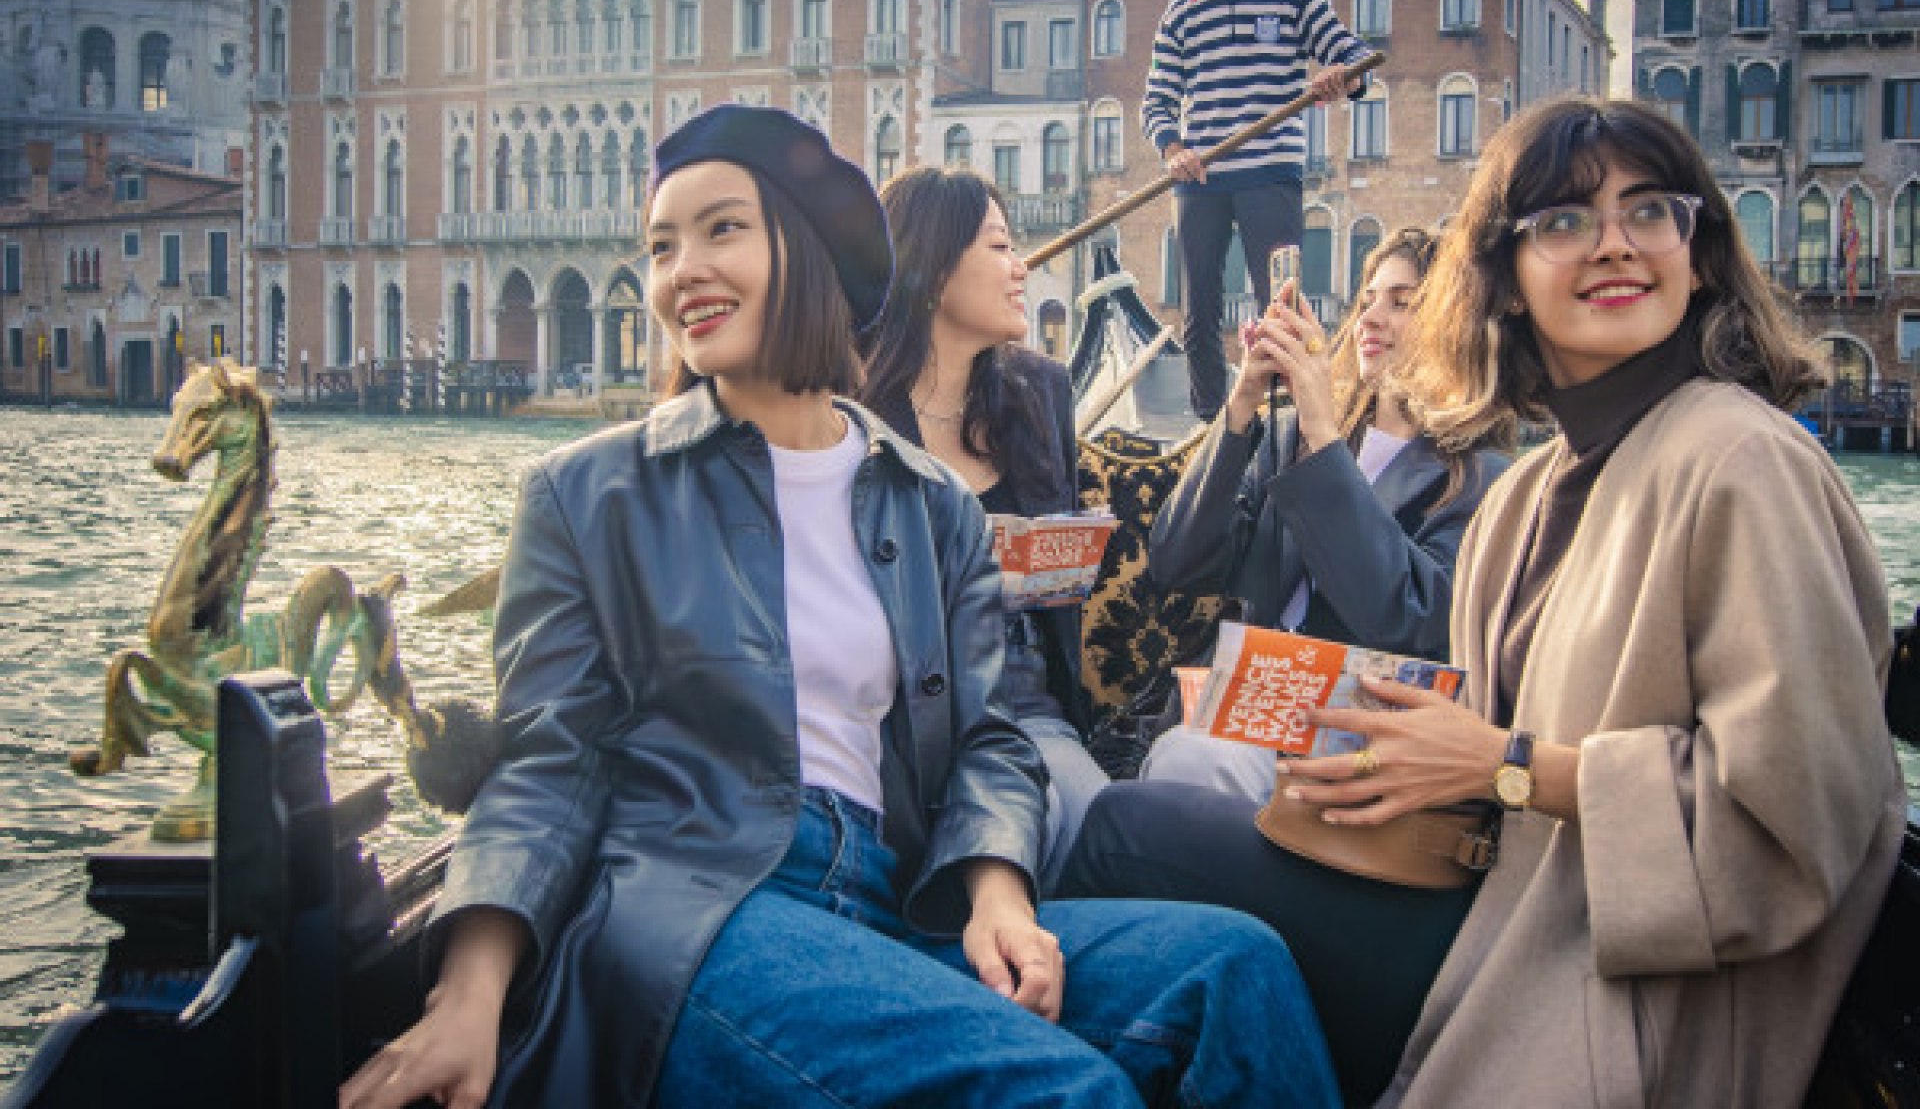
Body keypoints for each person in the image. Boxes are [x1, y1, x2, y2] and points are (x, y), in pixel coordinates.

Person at [339, 106, 1340, 1109]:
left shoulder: (931, 501)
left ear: (812, 250)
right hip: (697, 907)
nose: (682, 269)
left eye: (722, 228)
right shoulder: (585, 492)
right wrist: (467, 995)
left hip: (899, 893)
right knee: (1067, 1092)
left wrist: (997, 887)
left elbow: (990, 737)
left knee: (1237, 971)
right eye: (661, 245)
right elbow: (544, 764)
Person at [1067, 96, 1908, 1108]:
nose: (1614, 243)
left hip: (1610, 978)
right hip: (1482, 894)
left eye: (1649, 211)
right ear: (1504, 281)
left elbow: (1795, 824)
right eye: (1565, 220)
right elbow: (1184, 563)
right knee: (1154, 848)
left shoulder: (1741, 459)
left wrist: (1505, 764)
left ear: (1698, 254)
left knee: (1128, 832)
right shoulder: (1539, 489)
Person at [1139, 227, 1509, 805]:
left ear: (1455, 325)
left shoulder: (1482, 479)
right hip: (1239, 715)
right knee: (1166, 776)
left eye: (1402, 303)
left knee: (1183, 768)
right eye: (1368, 301)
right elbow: (1177, 562)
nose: (1371, 319)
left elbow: (1404, 616)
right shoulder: (1289, 439)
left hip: (1353, 747)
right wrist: (1241, 405)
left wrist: (1321, 428)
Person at [862, 165, 1107, 895]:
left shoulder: (1041, 391)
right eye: (999, 247)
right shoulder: (852, 414)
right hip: (903, 714)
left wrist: (1060, 560)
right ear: (934, 269)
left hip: (1025, 697)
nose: (1020, 266)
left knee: (1090, 820)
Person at [1145, 0, 1373, 421]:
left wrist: (1339, 76)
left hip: (1270, 171)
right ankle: (1213, 429)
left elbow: (1354, 56)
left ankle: (1289, 424)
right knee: (1198, 311)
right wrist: (1172, 148)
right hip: (1200, 177)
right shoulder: (1180, 10)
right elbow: (1157, 100)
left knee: (1281, 306)